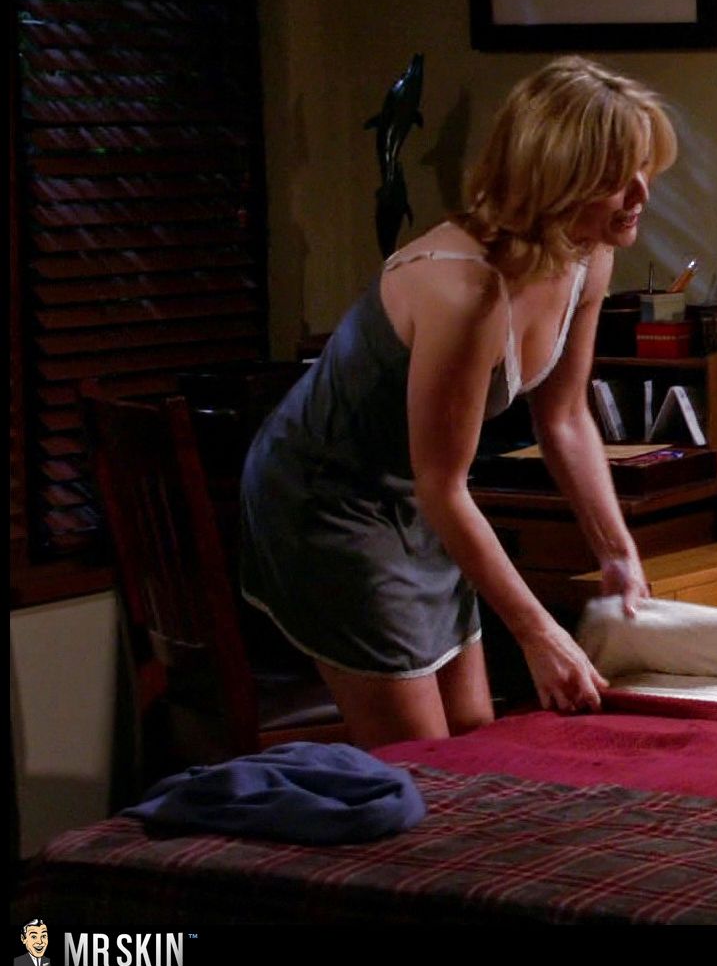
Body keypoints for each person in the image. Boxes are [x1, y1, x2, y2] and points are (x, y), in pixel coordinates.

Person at [239, 56, 676, 748]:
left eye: (644, 168)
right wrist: (539, 634)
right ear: (555, 179)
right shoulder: (462, 288)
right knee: (425, 758)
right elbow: (443, 485)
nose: (641, 193)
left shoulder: (588, 254)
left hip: (417, 493)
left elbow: (564, 418)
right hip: (326, 500)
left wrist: (617, 553)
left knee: (473, 736)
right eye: (617, 177)